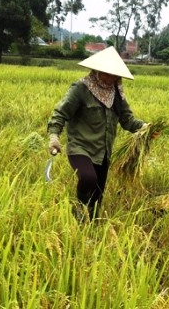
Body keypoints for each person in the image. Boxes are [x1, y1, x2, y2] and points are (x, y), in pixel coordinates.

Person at [47, 46, 146, 220]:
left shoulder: (116, 95)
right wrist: (54, 136)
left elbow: (127, 120)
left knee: (98, 195)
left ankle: (91, 226)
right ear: (96, 71)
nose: (109, 79)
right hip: (80, 148)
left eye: (114, 75)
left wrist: (146, 128)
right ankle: (78, 213)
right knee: (88, 178)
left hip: (103, 152)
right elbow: (60, 113)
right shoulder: (81, 89)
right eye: (106, 74)